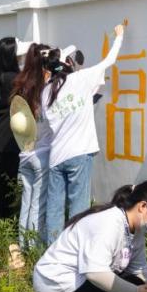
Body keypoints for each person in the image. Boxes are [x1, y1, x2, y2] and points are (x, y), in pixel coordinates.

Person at [43, 23, 125, 241]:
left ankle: (52, 251)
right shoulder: (81, 79)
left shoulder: (46, 92)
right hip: (79, 155)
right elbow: (109, 61)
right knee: (78, 210)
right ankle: (75, 250)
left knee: (54, 209)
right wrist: (119, 36)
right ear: (69, 63)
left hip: (56, 157)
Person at [11, 43, 55, 246]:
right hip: (42, 153)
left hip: (25, 152)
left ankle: (22, 244)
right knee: (39, 204)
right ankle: (34, 247)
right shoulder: (46, 88)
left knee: (26, 203)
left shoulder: (22, 86)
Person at [0, 37, 27, 219]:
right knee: (5, 180)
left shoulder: (0, 76)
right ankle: (1, 218)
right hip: (8, 134)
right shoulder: (15, 79)